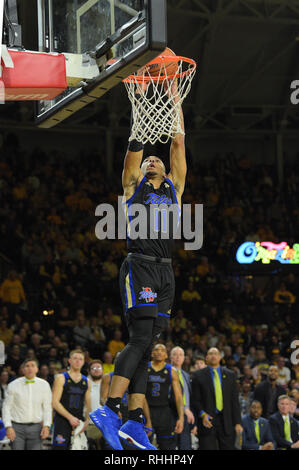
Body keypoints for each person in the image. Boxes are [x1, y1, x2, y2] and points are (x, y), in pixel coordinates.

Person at [90, 80, 186, 451]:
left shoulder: (175, 188)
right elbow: (134, 150)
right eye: (149, 158)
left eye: (156, 159)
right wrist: (143, 108)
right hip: (139, 266)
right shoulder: (133, 187)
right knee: (140, 339)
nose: (152, 160)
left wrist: (174, 97)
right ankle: (110, 409)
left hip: (166, 271)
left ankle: (133, 421)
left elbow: (177, 143)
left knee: (150, 347)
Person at [191, 347, 243, 450]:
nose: (213, 356)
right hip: (207, 421)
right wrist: (202, 414)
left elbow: (234, 401)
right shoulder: (198, 375)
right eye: (210, 354)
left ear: (220, 357)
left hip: (226, 422)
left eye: (215, 353)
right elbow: (195, 400)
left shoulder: (230, 375)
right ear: (206, 358)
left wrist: (238, 422)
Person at [2, 358, 52, 450]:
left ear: (37, 369)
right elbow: (6, 408)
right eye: (27, 366)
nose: (30, 368)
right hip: (16, 427)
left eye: (32, 366)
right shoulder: (13, 385)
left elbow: (47, 408)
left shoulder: (44, 385)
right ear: (23, 369)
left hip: (36, 427)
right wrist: (8, 426)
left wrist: (47, 425)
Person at [145, 343, 184, 450]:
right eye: (157, 350)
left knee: (167, 445)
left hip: (164, 412)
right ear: (152, 353)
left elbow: (179, 397)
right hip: (146, 410)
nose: (159, 352)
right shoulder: (144, 368)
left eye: (162, 350)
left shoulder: (171, 371)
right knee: (143, 444)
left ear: (166, 355)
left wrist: (181, 418)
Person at [52, 349, 91, 450]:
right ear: (69, 361)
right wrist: (70, 418)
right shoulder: (61, 378)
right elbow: (55, 403)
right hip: (62, 420)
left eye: (80, 359)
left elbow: (88, 406)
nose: (78, 361)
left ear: (83, 362)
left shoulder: (86, 381)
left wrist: (86, 422)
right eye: (75, 358)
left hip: (79, 422)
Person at [170, 346, 194, 450]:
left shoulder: (186, 375)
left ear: (184, 358)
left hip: (186, 416)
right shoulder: (167, 373)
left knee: (185, 446)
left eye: (180, 355)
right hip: (171, 414)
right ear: (170, 357)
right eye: (175, 354)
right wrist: (184, 409)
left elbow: (189, 397)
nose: (178, 357)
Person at [86, 360, 103, 450]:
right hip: (88, 425)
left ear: (103, 370)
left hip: (105, 426)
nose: (96, 370)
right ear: (89, 371)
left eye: (99, 367)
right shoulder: (84, 383)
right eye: (93, 368)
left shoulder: (109, 385)